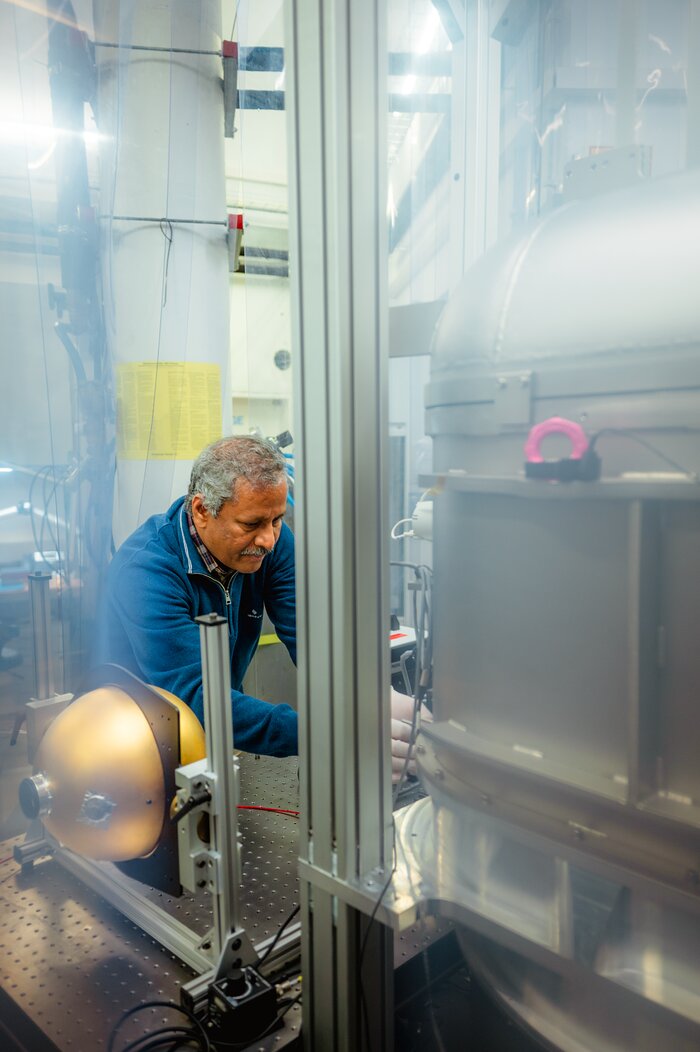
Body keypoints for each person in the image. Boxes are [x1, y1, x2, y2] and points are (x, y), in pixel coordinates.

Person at [99, 434, 423, 772]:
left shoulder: (270, 544)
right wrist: (328, 734)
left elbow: (311, 637)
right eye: (251, 524)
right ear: (201, 510)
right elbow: (195, 699)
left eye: (277, 519)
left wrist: (373, 696)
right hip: (136, 746)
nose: (268, 539)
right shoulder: (146, 571)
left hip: (214, 737)